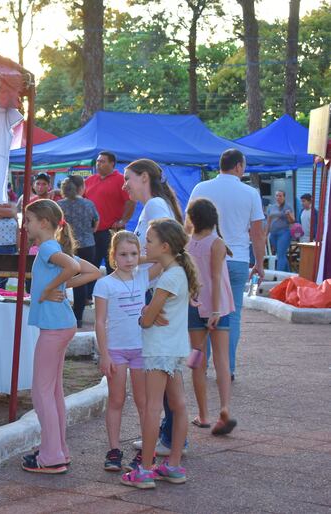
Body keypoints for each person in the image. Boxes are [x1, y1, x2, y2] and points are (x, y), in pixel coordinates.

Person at [20, 199, 101, 474]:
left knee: (41, 392)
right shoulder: (53, 247)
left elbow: (75, 269)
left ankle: (51, 454)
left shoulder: (47, 247)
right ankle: (56, 449)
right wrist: (60, 283)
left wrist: (49, 289)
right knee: (53, 391)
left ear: (43, 223)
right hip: (61, 325)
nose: (25, 225)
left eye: (28, 220)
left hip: (55, 328)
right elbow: (94, 271)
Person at [121, 219, 196, 490]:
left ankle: (145, 469)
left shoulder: (169, 276)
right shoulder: (177, 272)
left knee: (154, 408)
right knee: (178, 405)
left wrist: (143, 314)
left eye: (149, 241)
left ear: (164, 246)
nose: (145, 245)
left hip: (159, 350)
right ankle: (173, 465)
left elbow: (149, 317)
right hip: (173, 349)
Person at [122, 158, 185, 463]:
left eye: (128, 178)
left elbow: (163, 256)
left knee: (163, 374)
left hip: (158, 295)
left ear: (144, 177)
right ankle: (170, 438)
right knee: (168, 374)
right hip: (158, 293)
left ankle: (169, 440)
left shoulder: (156, 208)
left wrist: (134, 287)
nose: (125, 185)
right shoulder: (156, 206)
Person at [188, 149, 266, 381]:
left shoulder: (200, 188)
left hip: (200, 258)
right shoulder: (250, 193)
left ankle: (200, 366)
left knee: (200, 313)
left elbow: (188, 226)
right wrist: (259, 262)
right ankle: (227, 368)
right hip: (236, 259)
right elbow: (258, 233)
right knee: (231, 315)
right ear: (239, 167)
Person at [94, 231, 161, 472]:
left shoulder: (142, 277)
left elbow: (162, 259)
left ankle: (147, 449)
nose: (129, 259)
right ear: (113, 256)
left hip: (142, 350)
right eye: (123, 254)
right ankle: (113, 449)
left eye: (133, 253)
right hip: (116, 351)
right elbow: (100, 322)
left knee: (144, 403)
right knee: (117, 400)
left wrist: (140, 259)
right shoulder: (104, 284)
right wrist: (105, 354)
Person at [185, 198, 238, 436]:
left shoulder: (186, 244)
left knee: (198, 361)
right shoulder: (216, 243)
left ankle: (203, 414)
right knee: (222, 361)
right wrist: (216, 310)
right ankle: (224, 408)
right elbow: (216, 278)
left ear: (192, 218)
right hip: (218, 307)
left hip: (194, 304)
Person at [84, 152, 136, 277]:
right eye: (97, 161)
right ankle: (89, 296)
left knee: (112, 265)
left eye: (102, 161)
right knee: (90, 266)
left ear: (112, 163)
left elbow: (131, 201)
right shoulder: (90, 180)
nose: (98, 164)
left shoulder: (120, 179)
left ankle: (115, 295)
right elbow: (80, 198)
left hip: (111, 231)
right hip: (92, 232)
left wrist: (123, 220)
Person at [58, 175, 100, 327]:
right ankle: (78, 317)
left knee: (62, 279)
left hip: (67, 247)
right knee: (81, 282)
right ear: (81, 187)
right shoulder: (88, 204)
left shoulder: (60, 205)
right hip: (88, 244)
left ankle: (62, 314)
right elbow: (96, 223)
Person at [265, 190, 294, 272]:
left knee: (280, 255)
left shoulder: (287, 207)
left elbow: (292, 221)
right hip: (273, 234)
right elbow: (268, 222)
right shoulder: (271, 207)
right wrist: (265, 235)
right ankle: (288, 274)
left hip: (284, 233)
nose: (278, 197)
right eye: (277, 195)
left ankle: (278, 275)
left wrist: (288, 214)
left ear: (284, 197)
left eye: (280, 196)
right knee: (281, 255)